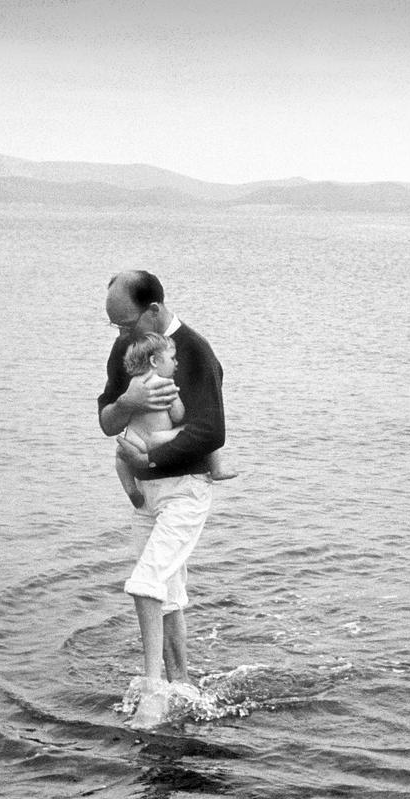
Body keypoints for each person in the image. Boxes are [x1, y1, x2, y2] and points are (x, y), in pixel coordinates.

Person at [97, 270, 227, 727]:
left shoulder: (195, 351)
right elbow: (108, 420)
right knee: (168, 594)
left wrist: (150, 454)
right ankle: (181, 685)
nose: (120, 334)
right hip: (146, 498)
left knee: (145, 583)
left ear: (153, 310)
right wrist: (128, 403)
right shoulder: (128, 351)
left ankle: (153, 692)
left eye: (126, 323)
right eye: (114, 326)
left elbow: (211, 431)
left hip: (185, 490)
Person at [115, 332, 235, 509]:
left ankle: (131, 490)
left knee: (120, 455)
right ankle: (216, 469)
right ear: (155, 362)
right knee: (203, 428)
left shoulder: (134, 383)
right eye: (172, 358)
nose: (176, 362)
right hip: (156, 438)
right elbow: (178, 414)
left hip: (133, 440)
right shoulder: (166, 384)